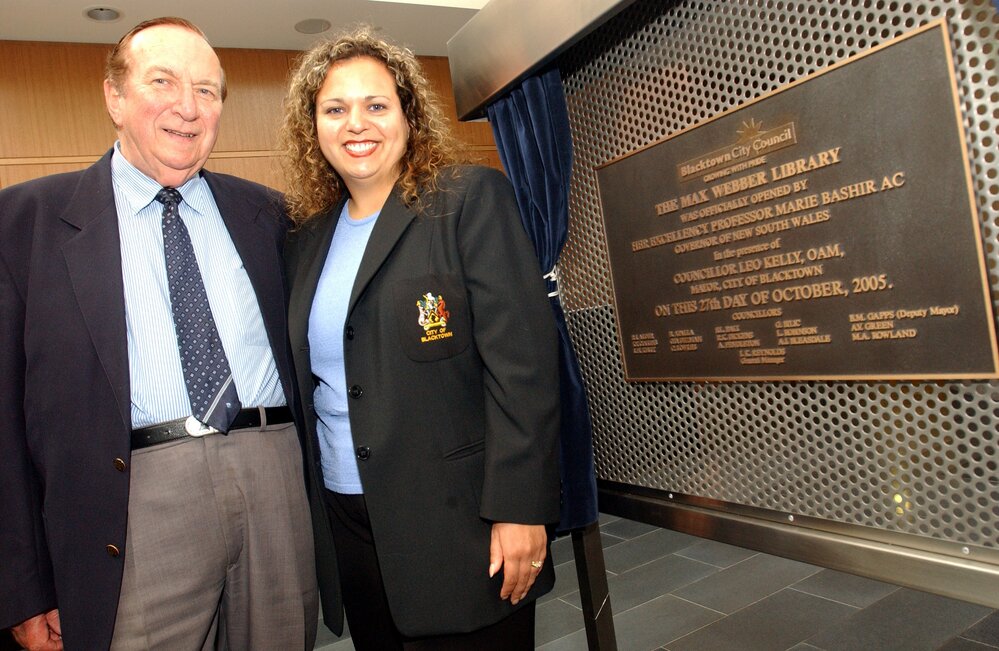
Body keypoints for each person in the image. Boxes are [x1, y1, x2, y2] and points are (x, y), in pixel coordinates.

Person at [0, 17, 317, 651]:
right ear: (114, 98)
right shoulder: (25, 222)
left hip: (273, 475)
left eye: (207, 89)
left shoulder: (270, 216)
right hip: (132, 501)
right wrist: (24, 585)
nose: (187, 106)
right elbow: (4, 420)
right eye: (162, 81)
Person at [280, 28, 561, 649]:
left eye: (377, 105)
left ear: (409, 115)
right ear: (314, 126)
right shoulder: (308, 240)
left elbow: (524, 369)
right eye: (335, 108)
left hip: (463, 524)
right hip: (351, 523)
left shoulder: (466, 200)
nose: (357, 123)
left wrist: (521, 507)